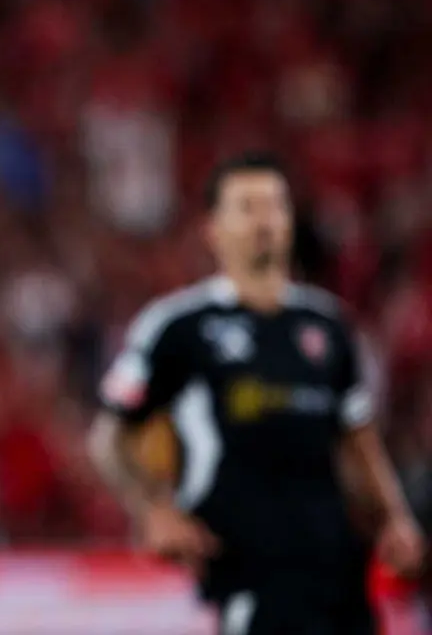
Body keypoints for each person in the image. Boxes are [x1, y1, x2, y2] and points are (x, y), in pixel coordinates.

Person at [89, 151, 426, 635]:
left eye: (275, 206)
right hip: (248, 571)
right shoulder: (181, 327)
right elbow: (110, 437)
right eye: (247, 207)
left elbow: (356, 438)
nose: (264, 219)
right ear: (213, 228)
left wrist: (394, 519)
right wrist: (154, 511)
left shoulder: (329, 326)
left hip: (341, 574)